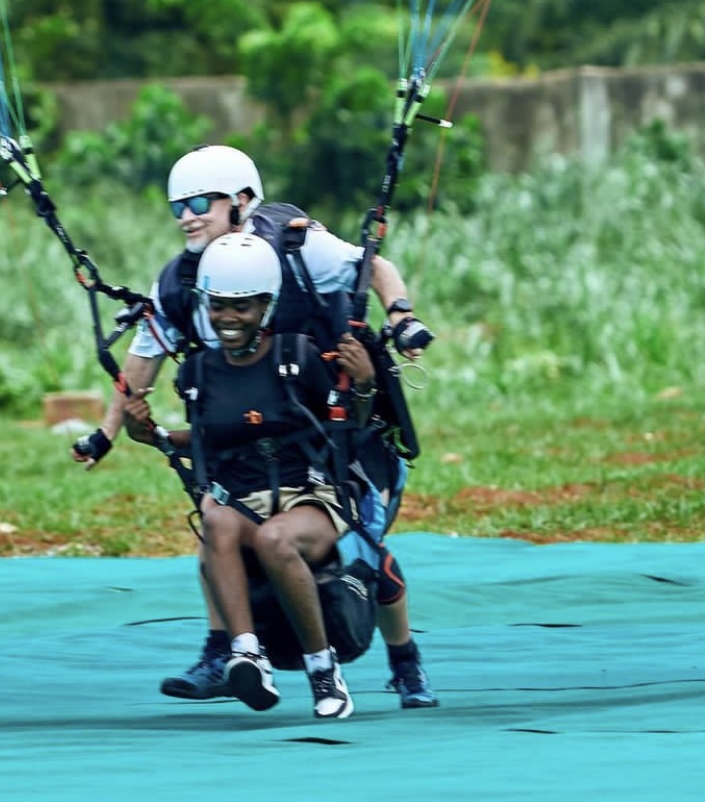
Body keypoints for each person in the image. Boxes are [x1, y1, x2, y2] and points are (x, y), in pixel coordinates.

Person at [73, 144, 437, 710]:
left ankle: (405, 662)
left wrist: (402, 320)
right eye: (177, 207)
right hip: (257, 442)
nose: (187, 216)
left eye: (200, 202)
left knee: (367, 553)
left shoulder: (297, 246)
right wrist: (108, 431)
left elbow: (376, 267)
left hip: (343, 432)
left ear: (243, 200)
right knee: (216, 533)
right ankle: (225, 653)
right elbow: (141, 365)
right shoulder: (183, 281)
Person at [124, 231, 377, 718]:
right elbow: (201, 439)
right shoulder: (198, 372)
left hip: (311, 496)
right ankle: (246, 653)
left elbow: (348, 426)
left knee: (274, 540)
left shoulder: (298, 357)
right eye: (218, 306)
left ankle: (324, 673)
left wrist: (362, 383)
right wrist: (149, 433)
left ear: (267, 305)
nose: (228, 318)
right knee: (215, 518)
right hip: (243, 497)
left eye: (241, 307)